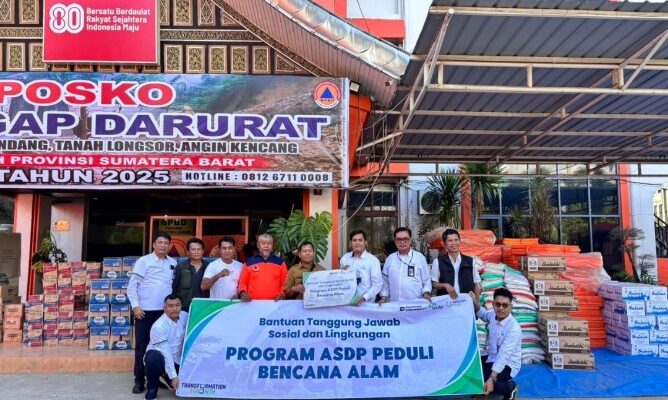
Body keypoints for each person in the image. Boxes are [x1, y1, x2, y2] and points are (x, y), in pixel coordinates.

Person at [127, 233, 177, 394]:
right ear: (154, 244)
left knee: (163, 346)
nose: (163, 245)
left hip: (165, 312)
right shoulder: (143, 261)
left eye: (166, 243)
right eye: (160, 242)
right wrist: (136, 306)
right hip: (145, 311)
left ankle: (154, 378)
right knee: (142, 347)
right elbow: (132, 287)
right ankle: (139, 380)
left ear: (169, 246)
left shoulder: (173, 262)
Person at [470, 287, 521, 400]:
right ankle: (484, 386)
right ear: (493, 304)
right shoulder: (493, 316)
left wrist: (491, 378)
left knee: (495, 384)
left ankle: (511, 387)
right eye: (498, 304)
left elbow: (503, 355)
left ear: (510, 307)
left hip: (508, 364)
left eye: (505, 305)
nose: (501, 308)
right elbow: (483, 314)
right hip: (491, 357)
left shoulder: (514, 329)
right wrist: (473, 302)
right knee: (471, 372)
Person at [143, 294, 187, 400]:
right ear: (164, 308)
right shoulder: (158, 327)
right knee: (153, 356)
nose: (174, 309)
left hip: (178, 360)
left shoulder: (185, 316)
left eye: (177, 305)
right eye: (170, 306)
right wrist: (174, 377)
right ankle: (152, 390)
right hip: (161, 359)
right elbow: (166, 353)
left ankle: (165, 376)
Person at [378, 227, 432, 304]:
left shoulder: (419, 258)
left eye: (405, 239)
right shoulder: (390, 258)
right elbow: (385, 281)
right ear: (395, 241)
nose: (402, 242)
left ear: (410, 240)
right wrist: (383, 297)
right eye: (399, 239)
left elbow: (426, 280)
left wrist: (426, 293)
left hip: (415, 305)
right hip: (394, 304)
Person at [431, 228, 482, 299]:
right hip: (446, 302)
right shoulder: (438, 262)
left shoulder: (470, 261)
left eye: (456, 240)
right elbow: (434, 283)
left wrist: (477, 303)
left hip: (466, 301)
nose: (454, 243)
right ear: (444, 244)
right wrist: (445, 285)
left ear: (460, 241)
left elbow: (476, 284)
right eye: (450, 241)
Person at [238, 234, 288, 302]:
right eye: (263, 243)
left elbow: (285, 283)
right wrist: (243, 292)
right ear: (258, 245)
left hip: (274, 303)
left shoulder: (280, 262)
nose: (266, 246)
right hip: (252, 303)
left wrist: (282, 294)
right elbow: (242, 282)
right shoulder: (249, 262)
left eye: (269, 243)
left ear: (272, 246)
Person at [339, 229, 383, 305]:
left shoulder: (373, 260)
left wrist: (364, 297)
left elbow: (377, 284)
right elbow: (341, 281)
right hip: (347, 303)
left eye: (360, 240)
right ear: (350, 243)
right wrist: (340, 273)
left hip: (366, 304)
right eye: (354, 240)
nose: (357, 243)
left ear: (365, 242)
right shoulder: (345, 258)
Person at [171, 238, 210, 312]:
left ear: (203, 251)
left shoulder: (209, 267)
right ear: (188, 252)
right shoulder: (180, 267)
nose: (196, 252)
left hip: (204, 307)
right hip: (185, 307)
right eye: (193, 249)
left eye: (199, 249)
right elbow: (174, 288)